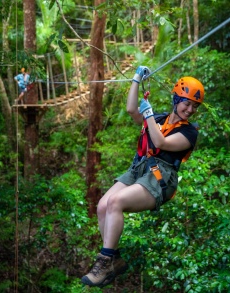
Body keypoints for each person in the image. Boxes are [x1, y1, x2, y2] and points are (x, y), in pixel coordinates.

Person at [80, 65, 205, 287]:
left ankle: (105, 261)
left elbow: (162, 142)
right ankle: (114, 258)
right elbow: (131, 111)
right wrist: (136, 79)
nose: (190, 110)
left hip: (161, 178)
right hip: (140, 168)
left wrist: (148, 115)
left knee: (116, 202)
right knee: (102, 205)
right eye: (187, 103)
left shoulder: (189, 132)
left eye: (195, 107)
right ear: (176, 100)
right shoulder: (159, 118)